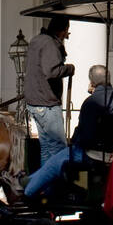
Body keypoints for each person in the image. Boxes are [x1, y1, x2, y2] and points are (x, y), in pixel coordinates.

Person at [24, 64, 113, 200]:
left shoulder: (91, 102)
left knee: (56, 160)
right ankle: (28, 181)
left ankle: (28, 190)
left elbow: (85, 137)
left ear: (92, 82)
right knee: (61, 156)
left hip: (93, 154)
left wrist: (73, 141)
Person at [24, 16, 74, 163]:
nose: (67, 34)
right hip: (47, 104)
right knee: (58, 148)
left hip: (35, 103)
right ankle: (54, 184)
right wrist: (69, 69)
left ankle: (46, 183)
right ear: (63, 30)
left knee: (46, 147)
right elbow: (51, 71)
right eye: (67, 30)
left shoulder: (36, 40)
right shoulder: (50, 44)